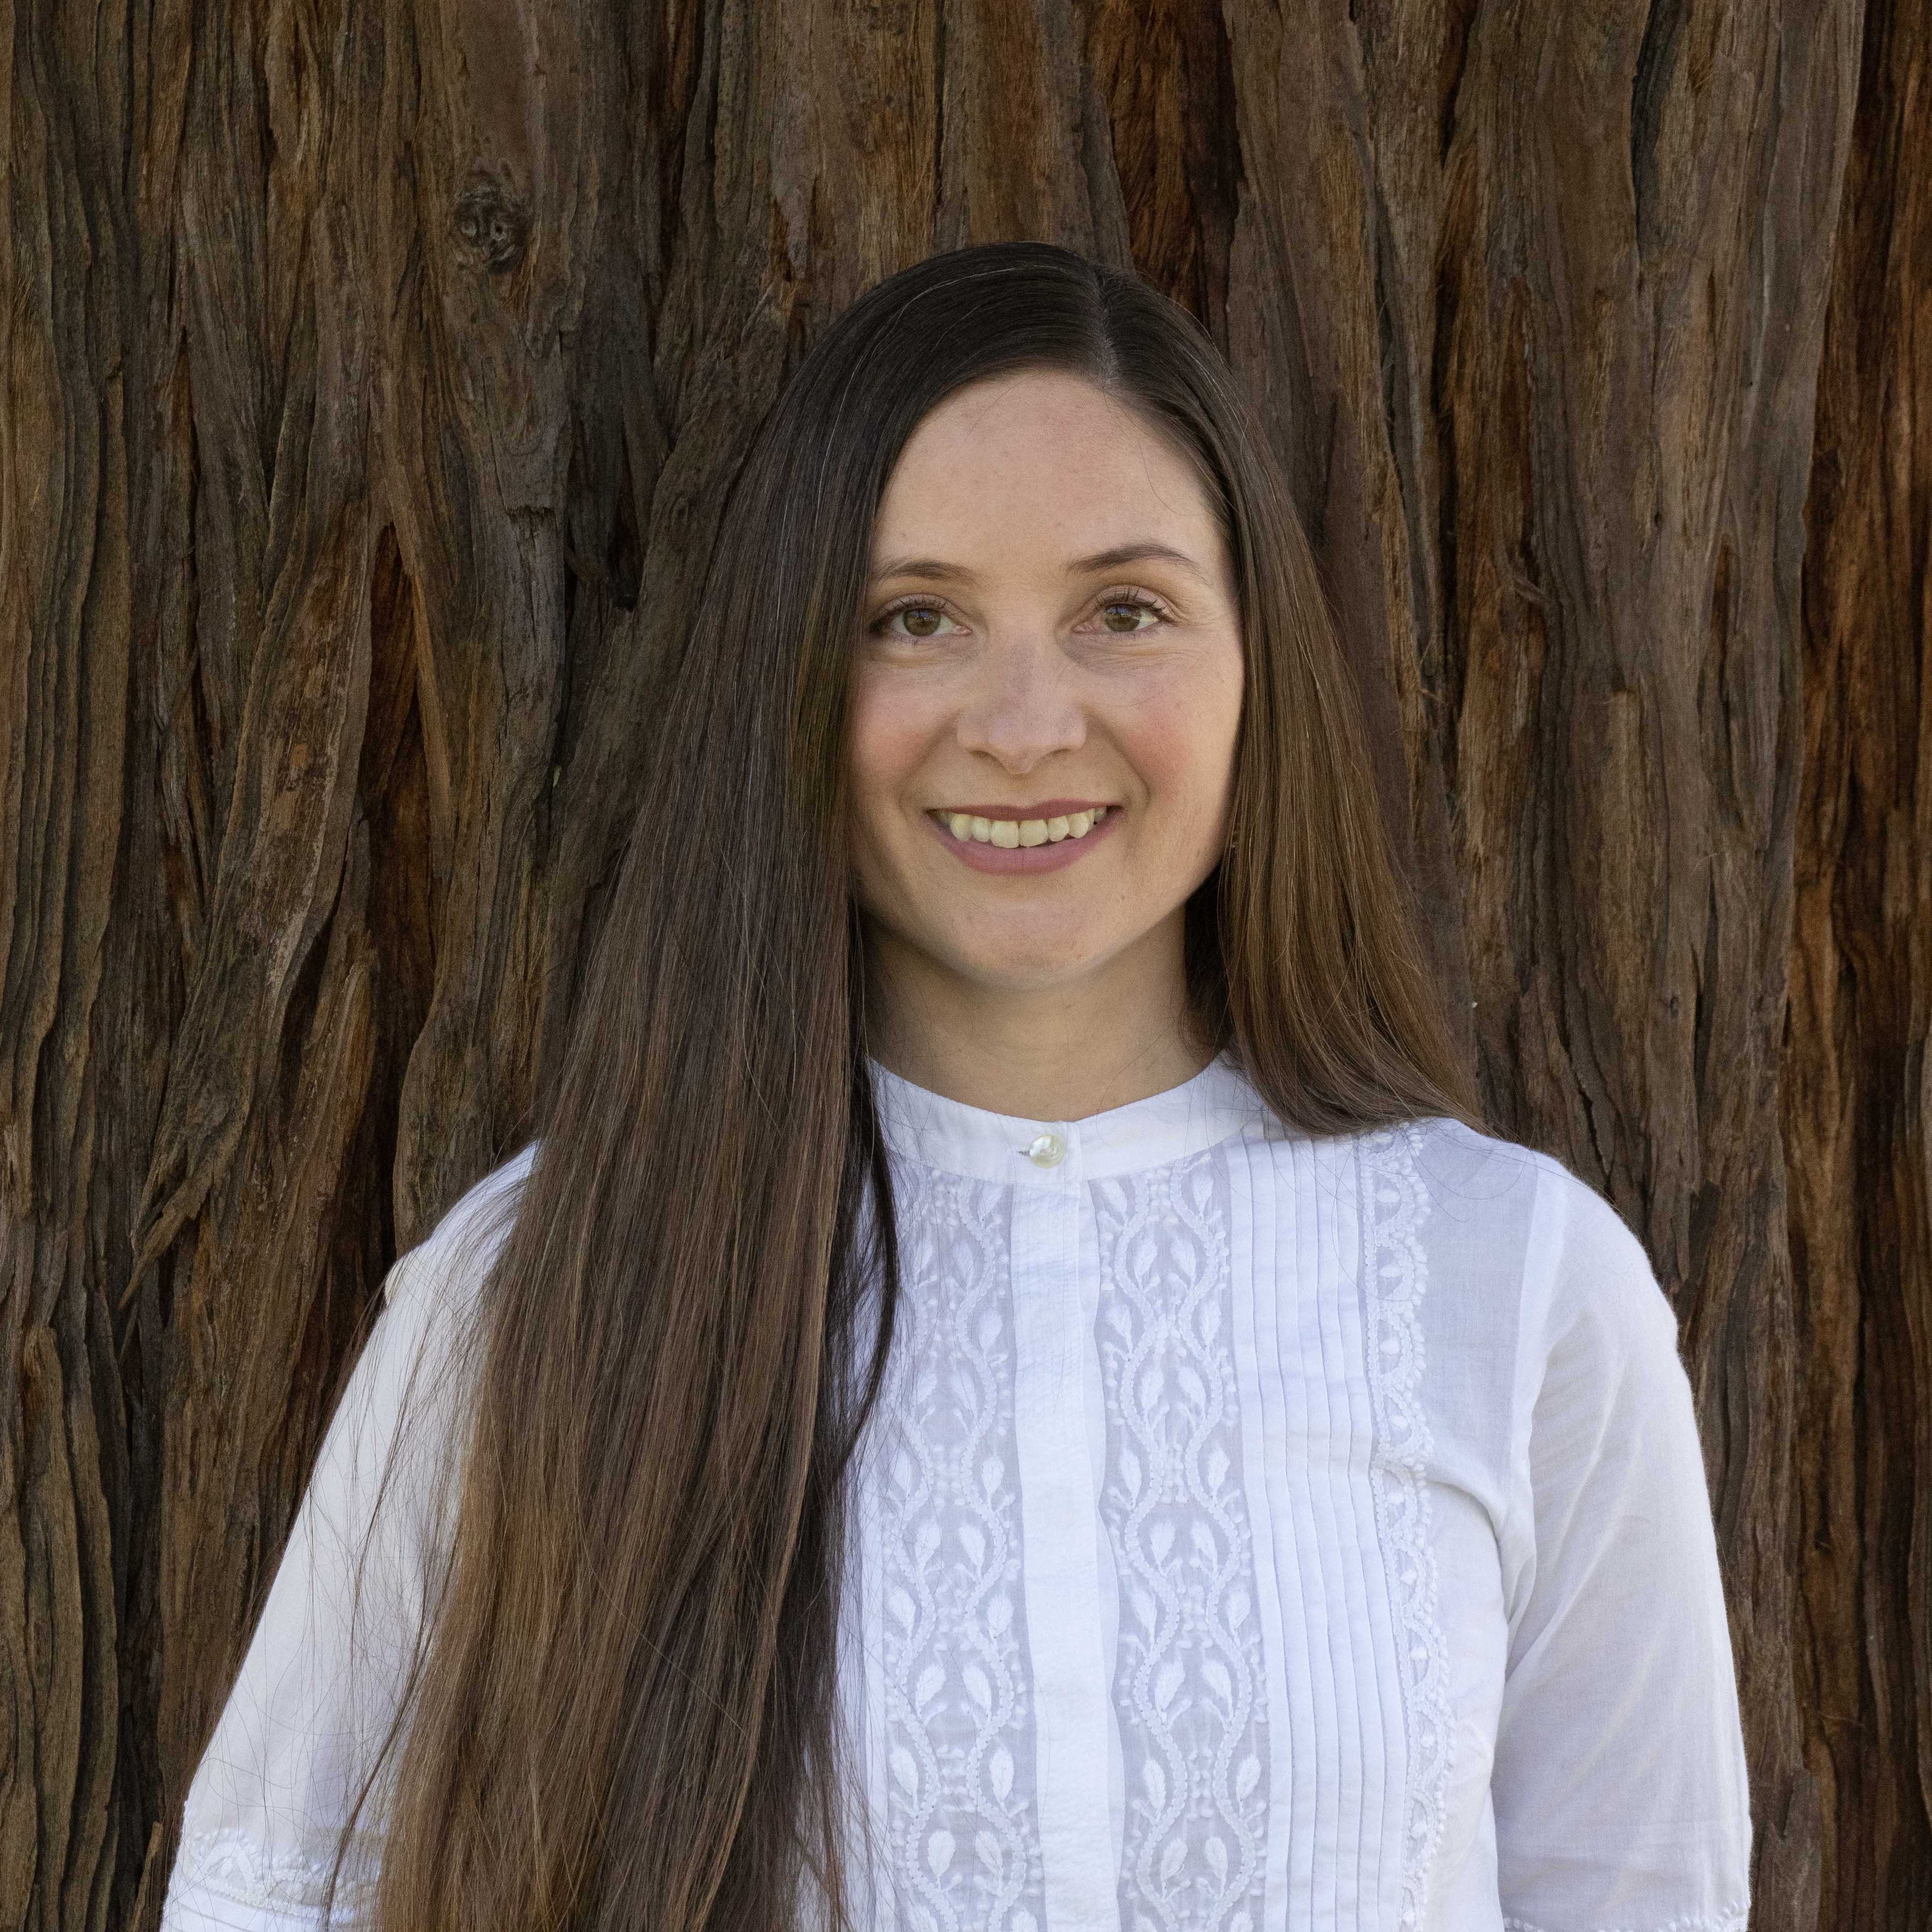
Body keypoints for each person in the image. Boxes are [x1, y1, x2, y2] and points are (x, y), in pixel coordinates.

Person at [160, 241, 1753, 1932]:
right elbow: (276, 1896)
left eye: (1121, 612)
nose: (1022, 720)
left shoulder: (1515, 1284)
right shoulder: (535, 1288)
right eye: (915, 619)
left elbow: (1641, 1895)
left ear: (1257, 666)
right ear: (799, 685)